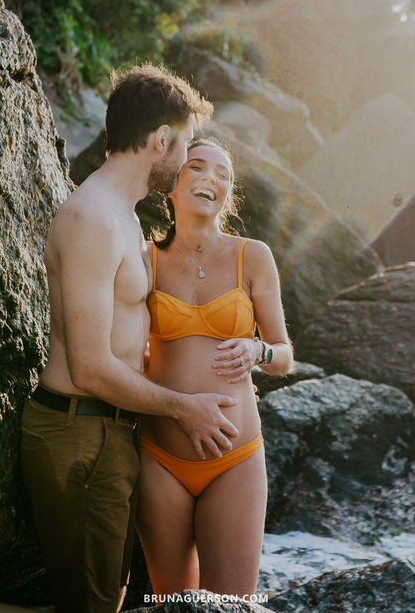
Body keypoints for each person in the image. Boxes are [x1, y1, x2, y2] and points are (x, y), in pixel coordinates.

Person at [19, 65, 242, 613]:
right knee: (93, 605)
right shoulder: (92, 218)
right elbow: (90, 367)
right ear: (160, 140)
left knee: (108, 599)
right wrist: (184, 409)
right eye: (185, 144)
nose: (187, 158)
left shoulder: (123, 215)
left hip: (108, 433)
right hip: (80, 432)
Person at [137, 137, 294, 596]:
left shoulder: (253, 255)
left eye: (223, 174)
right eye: (196, 167)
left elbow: (284, 354)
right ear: (171, 182)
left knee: (233, 606)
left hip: (236, 460)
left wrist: (257, 350)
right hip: (159, 460)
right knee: (173, 604)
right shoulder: (145, 258)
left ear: (229, 192)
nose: (210, 178)